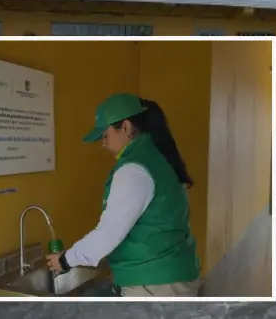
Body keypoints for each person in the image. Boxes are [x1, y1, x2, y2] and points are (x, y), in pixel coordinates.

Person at [46, 92, 201, 297]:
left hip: (154, 282)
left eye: (105, 135)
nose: (104, 144)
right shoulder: (153, 157)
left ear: (126, 127)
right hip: (169, 274)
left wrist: (65, 260)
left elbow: (108, 233)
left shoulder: (133, 170)